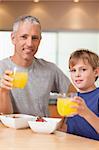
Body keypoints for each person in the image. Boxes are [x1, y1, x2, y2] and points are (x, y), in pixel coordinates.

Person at [0, 15, 75, 117]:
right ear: (13, 38)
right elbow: (5, 114)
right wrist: (3, 91)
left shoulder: (50, 69)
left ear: (40, 40)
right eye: (24, 37)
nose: (30, 43)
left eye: (34, 38)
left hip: (41, 130)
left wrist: (64, 123)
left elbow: (73, 94)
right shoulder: (2, 68)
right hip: (11, 131)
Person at [60, 49, 99, 140]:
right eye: (73, 70)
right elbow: (70, 129)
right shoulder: (72, 98)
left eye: (83, 69)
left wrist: (86, 113)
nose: (77, 74)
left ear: (96, 72)